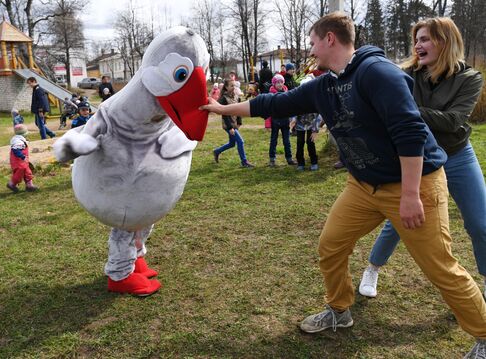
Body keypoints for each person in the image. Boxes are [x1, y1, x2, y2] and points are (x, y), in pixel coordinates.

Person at [200, 12, 486, 357]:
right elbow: (275, 103)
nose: (310, 50)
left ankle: (483, 333)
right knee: (331, 246)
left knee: (440, 268)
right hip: (363, 187)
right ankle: (339, 311)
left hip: (415, 184)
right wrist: (222, 108)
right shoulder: (326, 83)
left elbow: (411, 134)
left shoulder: (377, 73)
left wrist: (410, 195)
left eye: (312, 43)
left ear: (330, 39)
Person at [358, 17, 486, 302]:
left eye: (425, 39)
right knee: (404, 218)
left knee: (481, 223)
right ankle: (373, 268)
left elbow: (453, 121)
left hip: (457, 155)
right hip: (421, 158)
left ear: (445, 41)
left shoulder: (470, 78)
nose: (418, 45)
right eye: (416, 40)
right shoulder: (405, 74)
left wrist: (405, 109)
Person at [212, 79, 254, 168]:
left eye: (234, 85)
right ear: (226, 87)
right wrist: (230, 127)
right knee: (240, 141)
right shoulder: (224, 98)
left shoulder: (236, 97)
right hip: (228, 125)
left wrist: (239, 122)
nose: (233, 87)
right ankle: (244, 161)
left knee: (232, 143)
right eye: (231, 85)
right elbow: (224, 114)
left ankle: (217, 151)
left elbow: (239, 110)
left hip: (234, 124)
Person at [268, 74, 296, 167]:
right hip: (275, 120)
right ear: (274, 84)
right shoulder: (271, 94)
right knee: (273, 140)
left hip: (285, 120)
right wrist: (267, 123)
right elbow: (268, 108)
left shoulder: (287, 93)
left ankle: (289, 158)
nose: (280, 84)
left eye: (281, 82)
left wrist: (292, 118)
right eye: (277, 82)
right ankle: (272, 159)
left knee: (287, 141)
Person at [6, 124, 37, 193]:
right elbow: (16, 149)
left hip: (23, 161)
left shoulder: (19, 139)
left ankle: (29, 185)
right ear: (24, 134)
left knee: (27, 171)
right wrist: (22, 156)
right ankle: (12, 183)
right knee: (19, 172)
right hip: (18, 161)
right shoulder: (18, 141)